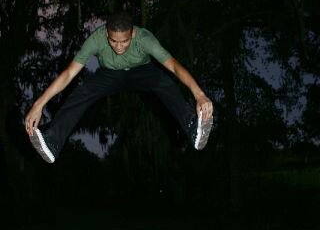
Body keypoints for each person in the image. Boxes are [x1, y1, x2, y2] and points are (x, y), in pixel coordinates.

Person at [25, 11, 214, 163]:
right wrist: (38, 105)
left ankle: (193, 126)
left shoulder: (145, 38)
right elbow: (68, 74)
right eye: (113, 41)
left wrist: (199, 95)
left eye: (124, 41)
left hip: (142, 71)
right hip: (110, 74)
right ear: (107, 34)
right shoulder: (96, 39)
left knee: (165, 83)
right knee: (82, 91)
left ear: (132, 34)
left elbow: (173, 65)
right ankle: (52, 141)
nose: (119, 47)